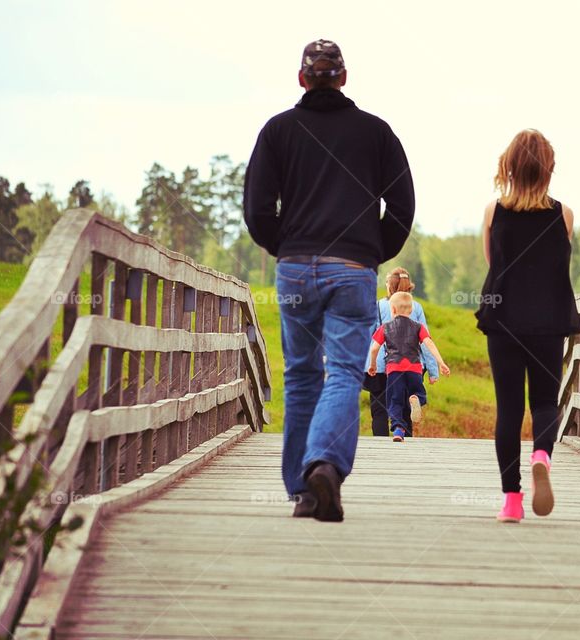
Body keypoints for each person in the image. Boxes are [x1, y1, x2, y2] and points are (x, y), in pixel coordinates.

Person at [243, 39, 415, 522]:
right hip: (353, 269)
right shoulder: (376, 134)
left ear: (302, 79)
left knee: (300, 375)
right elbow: (402, 205)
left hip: (296, 267)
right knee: (342, 372)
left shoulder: (278, 132)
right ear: (343, 78)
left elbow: (257, 209)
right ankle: (325, 466)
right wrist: (371, 250)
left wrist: (287, 248)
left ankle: (303, 490)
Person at [474, 129, 580, 523]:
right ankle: (541, 456)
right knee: (545, 402)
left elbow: (493, 263)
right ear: (548, 168)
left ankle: (512, 501)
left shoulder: (493, 212)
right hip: (549, 320)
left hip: (504, 320)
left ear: (510, 166)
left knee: (509, 408)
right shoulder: (563, 214)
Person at [365, 267, 439, 437]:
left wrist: (368, 364)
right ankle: (404, 440)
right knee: (406, 407)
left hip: (382, 366)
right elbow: (426, 341)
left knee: (379, 411)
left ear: (389, 285)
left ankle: (381, 445)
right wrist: (433, 370)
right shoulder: (416, 307)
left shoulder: (377, 306)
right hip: (411, 364)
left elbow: (370, 338)